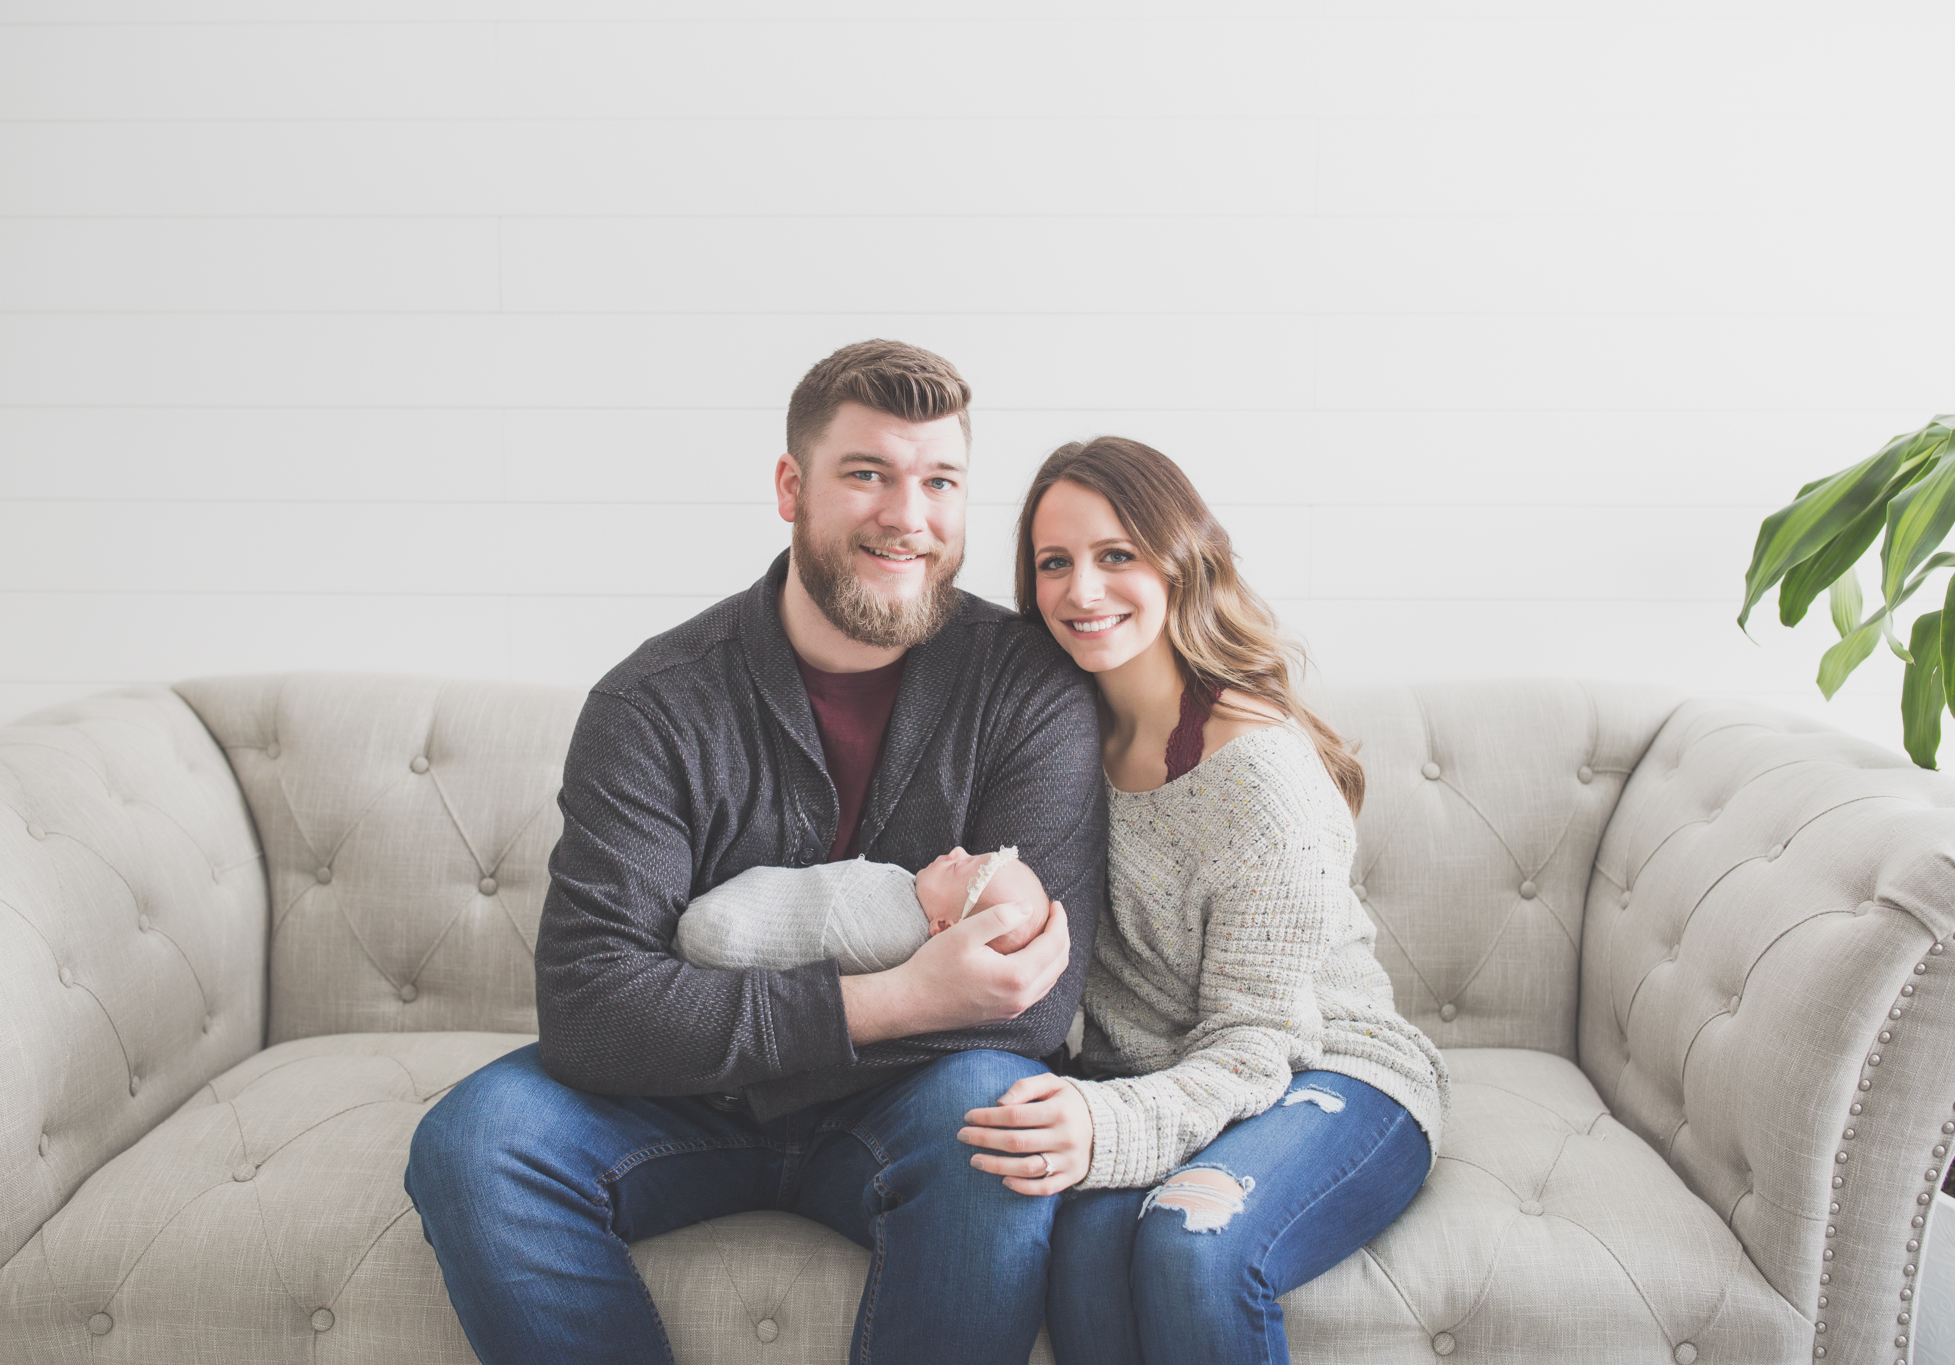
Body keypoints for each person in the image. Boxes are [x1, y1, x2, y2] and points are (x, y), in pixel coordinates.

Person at [403, 340, 1107, 1365]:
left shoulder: (1028, 690)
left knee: (996, 1113)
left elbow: (1029, 1002)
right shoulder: (654, 703)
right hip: (683, 1110)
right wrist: (897, 1000)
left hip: (901, 1109)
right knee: (474, 1143)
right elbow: (592, 1009)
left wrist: (704, 1017)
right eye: (866, 474)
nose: (907, 516)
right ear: (791, 487)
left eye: (939, 481)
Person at [957, 436, 1452, 1365]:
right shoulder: (1049, 735)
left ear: (1180, 558)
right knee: (1084, 1260)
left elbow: (1259, 1040)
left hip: (1326, 1069)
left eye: (1117, 556)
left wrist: (1102, 1124)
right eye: (1054, 563)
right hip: (1153, 1074)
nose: (1082, 591)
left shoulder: (1261, 777)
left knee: (1189, 1246)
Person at [674, 844, 1054, 972]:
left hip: (717, 928)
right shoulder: (910, 900)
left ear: (943, 926)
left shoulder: (891, 934)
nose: (956, 850)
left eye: (959, 866)